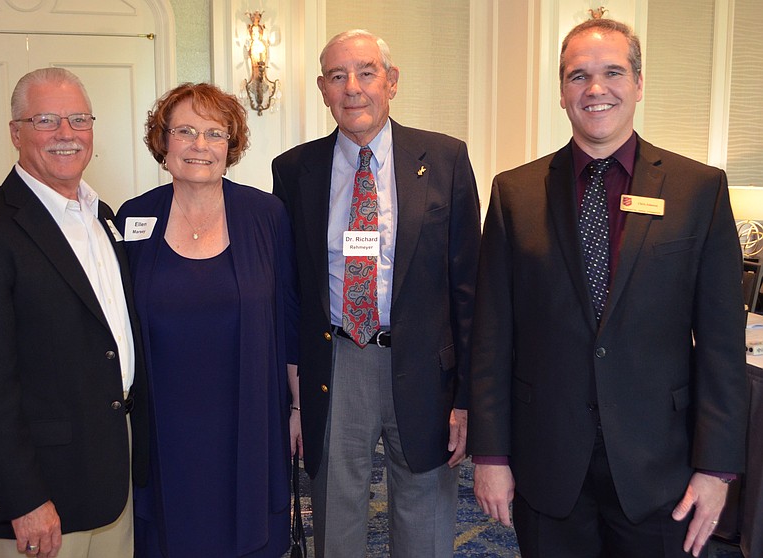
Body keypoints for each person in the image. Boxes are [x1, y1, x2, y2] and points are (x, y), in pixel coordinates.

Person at [469, 18, 747, 558]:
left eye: (613, 73)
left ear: (639, 84)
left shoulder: (699, 190)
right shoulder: (514, 194)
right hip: (547, 462)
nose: (596, 89)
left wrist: (716, 469)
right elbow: (491, 339)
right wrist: (491, 455)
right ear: (562, 92)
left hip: (661, 471)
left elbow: (721, 345)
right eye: (579, 76)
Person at [272, 29, 482, 557]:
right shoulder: (294, 170)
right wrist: (293, 398)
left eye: (366, 72)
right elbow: (290, 292)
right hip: (336, 360)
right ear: (322, 88)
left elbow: (468, 288)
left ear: (392, 81)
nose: (352, 87)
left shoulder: (446, 159)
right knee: (335, 515)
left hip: (425, 365)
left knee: (425, 514)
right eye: (337, 76)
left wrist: (466, 397)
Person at [0, 67, 148, 558]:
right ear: (15, 133)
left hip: (109, 475)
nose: (67, 133)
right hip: (37, 498)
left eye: (79, 119)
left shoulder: (103, 217)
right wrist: (23, 499)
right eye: (46, 120)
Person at [114, 82, 300, 558]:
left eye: (215, 133)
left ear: (230, 146)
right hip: (163, 417)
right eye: (185, 131)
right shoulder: (133, 218)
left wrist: (298, 409)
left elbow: (289, 319)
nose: (200, 145)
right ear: (163, 141)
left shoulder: (266, 215)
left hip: (249, 411)